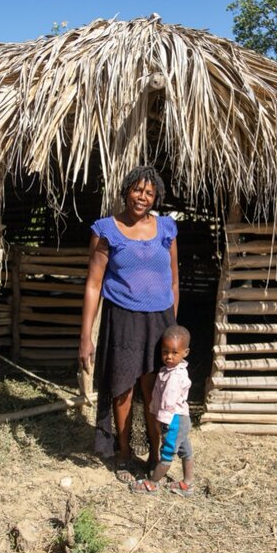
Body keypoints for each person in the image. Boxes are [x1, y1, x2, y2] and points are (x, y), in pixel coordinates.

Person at [79, 165, 179, 483]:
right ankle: (123, 454)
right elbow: (94, 284)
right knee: (123, 387)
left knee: (155, 390)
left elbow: (175, 281)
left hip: (159, 320)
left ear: (156, 197)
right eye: (138, 190)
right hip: (122, 317)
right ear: (126, 190)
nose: (142, 197)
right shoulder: (106, 229)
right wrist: (85, 336)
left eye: (149, 193)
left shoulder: (167, 229)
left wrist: (174, 327)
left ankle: (153, 454)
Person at [130, 325, 194, 496]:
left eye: (174, 353)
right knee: (185, 450)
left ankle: (152, 483)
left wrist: (159, 422)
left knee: (167, 454)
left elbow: (167, 404)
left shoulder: (174, 377)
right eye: (165, 352)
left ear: (185, 352)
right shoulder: (169, 371)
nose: (169, 357)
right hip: (181, 420)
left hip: (173, 421)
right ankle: (187, 483)